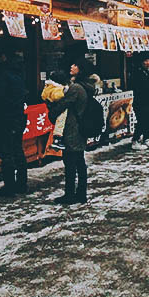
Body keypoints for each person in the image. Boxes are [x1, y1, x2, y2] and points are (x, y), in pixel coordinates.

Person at [45, 60, 98, 204]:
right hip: (80, 128)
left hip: (72, 129)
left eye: (75, 65)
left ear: (80, 70)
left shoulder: (76, 88)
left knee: (70, 162)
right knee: (79, 162)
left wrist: (51, 112)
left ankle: (70, 194)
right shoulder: (87, 86)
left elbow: (63, 105)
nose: (72, 66)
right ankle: (81, 193)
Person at [0, 49, 28, 196]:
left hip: (6, 117)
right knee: (18, 150)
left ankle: (10, 186)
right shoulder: (20, 73)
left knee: (6, 152)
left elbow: (0, 95)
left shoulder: (4, 74)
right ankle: (21, 183)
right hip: (18, 116)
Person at [130, 55, 149, 149]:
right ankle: (135, 140)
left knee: (147, 120)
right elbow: (137, 86)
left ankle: (146, 138)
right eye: (146, 60)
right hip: (140, 101)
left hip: (148, 100)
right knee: (141, 121)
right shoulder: (138, 72)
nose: (148, 63)